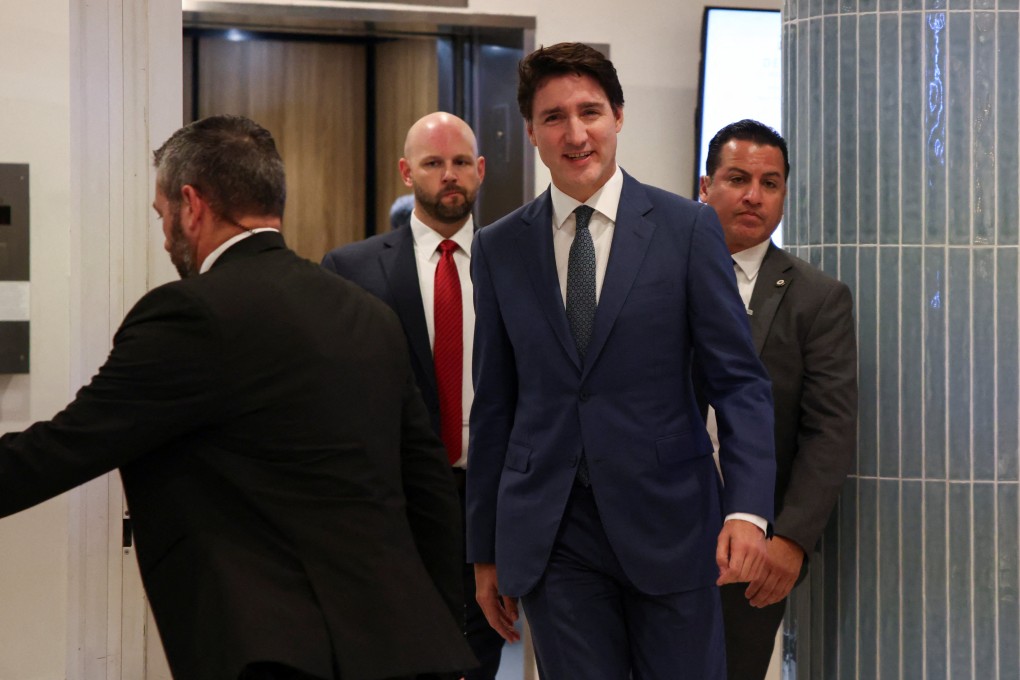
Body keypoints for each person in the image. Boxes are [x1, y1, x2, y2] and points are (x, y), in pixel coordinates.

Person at [0, 115, 476, 680]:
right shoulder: (367, 314)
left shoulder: (188, 313)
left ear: (191, 204)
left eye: (162, 216)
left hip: (273, 651)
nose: (164, 234)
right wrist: (446, 634)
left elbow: (64, 447)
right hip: (405, 646)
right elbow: (428, 491)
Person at [466, 43, 777, 680]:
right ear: (531, 131)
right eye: (554, 117)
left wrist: (747, 510)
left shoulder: (687, 229)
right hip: (554, 535)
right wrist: (486, 549)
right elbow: (494, 405)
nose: (575, 134)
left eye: (590, 112)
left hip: (672, 523)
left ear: (618, 117)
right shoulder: (499, 248)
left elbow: (740, 382)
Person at [322, 111, 506, 680]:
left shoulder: (521, 263)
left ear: (479, 171)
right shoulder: (351, 270)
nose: (448, 175)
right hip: (395, 505)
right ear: (407, 172)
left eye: (459, 163)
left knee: (482, 656)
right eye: (432, 163)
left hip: (496, 498)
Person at [698, 119, 858, 680]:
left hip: (755, 551)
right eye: (738, 178)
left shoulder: (818, 298)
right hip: (654, 529)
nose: (753, 196)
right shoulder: (660, 277)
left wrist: (789, 541)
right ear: (705, 186)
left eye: (771, 183)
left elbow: (830, 430)